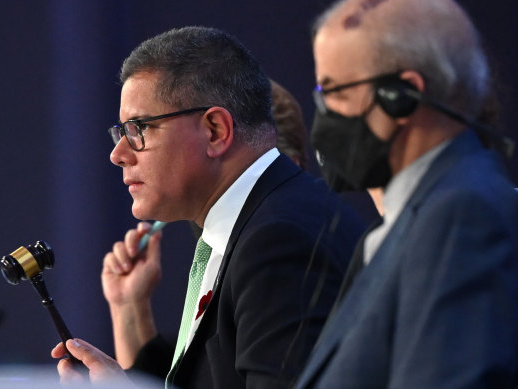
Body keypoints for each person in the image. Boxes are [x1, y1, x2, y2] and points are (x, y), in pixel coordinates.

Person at [52, 26, 366, 388]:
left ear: (215, 130)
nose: (118, 154)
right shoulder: (255, 225)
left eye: (138, 128)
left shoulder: (280, 240)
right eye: (120, 132)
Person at [296, 0, 518, 388]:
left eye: (334, 93)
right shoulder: (406, 224)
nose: (324, 113)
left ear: (403, 95)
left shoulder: (462, 215)